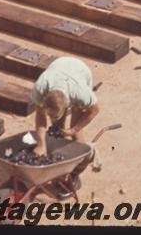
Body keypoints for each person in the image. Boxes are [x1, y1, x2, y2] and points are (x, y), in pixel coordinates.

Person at [31, 56, 100, 186]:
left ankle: (74, 174)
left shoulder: (80, 94)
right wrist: (41, 144)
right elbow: (40, 116)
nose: (51, 117)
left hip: (79, 71)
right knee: (57, 128)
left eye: (56, 115)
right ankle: (59, 162)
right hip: (59, 66)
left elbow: (95, 110)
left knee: (76, 136)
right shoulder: (41, 87)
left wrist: (73, 130)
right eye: (49, 114)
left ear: (66, 106)